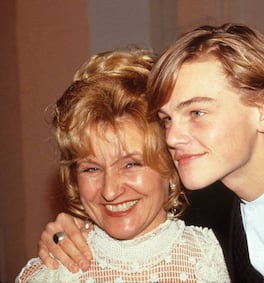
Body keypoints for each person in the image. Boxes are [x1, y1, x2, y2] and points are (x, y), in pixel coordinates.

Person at [37, 24, 264, 283]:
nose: (173, 136)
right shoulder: (195, 216)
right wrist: (67, 231)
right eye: (167, 119)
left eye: (197, 113)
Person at [16, 50, 230, 282]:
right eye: (91, 168)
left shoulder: (220, 258)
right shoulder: (49, 273)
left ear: (171, 167)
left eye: (131, 164)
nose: (110, 190)